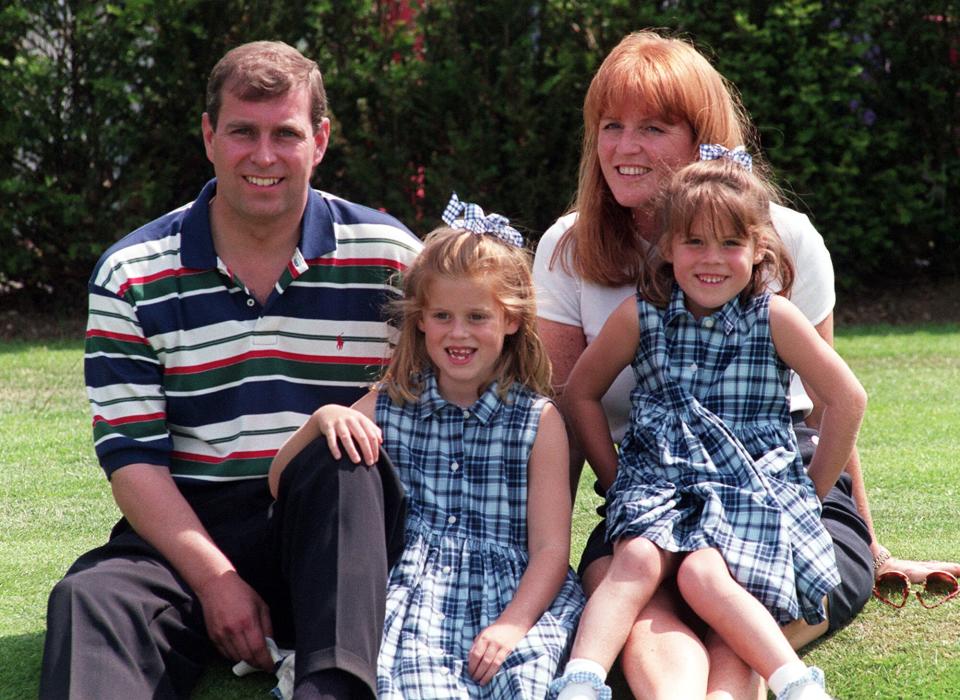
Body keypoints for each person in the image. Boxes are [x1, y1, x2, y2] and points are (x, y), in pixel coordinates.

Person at [532, 29, 960, 698]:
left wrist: (858, 536)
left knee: (722, 612)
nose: (624, 147)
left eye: (653, 127)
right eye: (610, 126)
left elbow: (829, 405)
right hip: (654, 497)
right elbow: (562, 412)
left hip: (775, 487)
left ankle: (782, 678)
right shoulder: (569, 247)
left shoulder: (783, 237)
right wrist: (592, 518)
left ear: (702, 136)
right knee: (645, 606)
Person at [40, 40, 422, 699]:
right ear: (210, 136)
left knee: (342, 458)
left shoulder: (392, 258)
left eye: (287, 134)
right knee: (88, 598)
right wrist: (217, 581)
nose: (265, 156)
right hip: (190, 522)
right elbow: (133, 461)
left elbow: (441, 390)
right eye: (243, 132)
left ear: (320, 140)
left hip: (334, 527)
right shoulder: (133, 274)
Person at [549, 155, 867, 700]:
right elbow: (579, 390)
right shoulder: (639, 315)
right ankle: (581, 680)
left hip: (748, 486)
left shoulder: (774, 318)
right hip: (658, 483)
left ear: (758, 248)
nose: (711, 260)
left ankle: (794, 681)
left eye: (730, 244)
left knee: (704, 575)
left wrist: (810, 492)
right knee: (636, 558)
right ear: (668, 248)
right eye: (694, 242)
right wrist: (612, 476)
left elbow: (846, 399)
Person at [269, 195, 586, 699]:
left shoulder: (538, 421)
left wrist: (512, 625)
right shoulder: (391, 403)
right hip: (409, 593)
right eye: (442, 315)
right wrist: (321, 419)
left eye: (478, 317)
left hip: (511, 599)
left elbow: (550, 549)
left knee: (521, 678)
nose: (458, 333)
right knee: (401, 677)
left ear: (510, 320)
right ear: (420, 319)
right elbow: (280, 478)